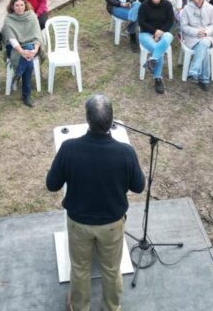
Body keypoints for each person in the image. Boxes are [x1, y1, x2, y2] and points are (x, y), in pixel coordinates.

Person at [46, 93, 144, 311]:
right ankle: (112, 308)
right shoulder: (126, 152)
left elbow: (52, 184)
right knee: (111, 269)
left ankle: (79, 308)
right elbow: (138, 186)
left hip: (79, 224)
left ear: (87, 120)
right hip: (112, 225)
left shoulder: (69, 149)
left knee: (80, 269)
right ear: (112, 120)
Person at [1, 0, 42, 107]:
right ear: (12, 7)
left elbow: (38, 36)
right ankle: (26, 95)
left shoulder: (32, 16)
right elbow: (12, 39)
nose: (20, 8)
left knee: (28, 51)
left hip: (32, 46)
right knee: (28, 62)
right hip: (15, 47)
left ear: (25, 5)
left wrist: (35, 50)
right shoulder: (9, 19)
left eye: (22, 5)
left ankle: (18, 75)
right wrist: (22, 52)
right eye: (17, 5)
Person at [138, 0, 174, 95]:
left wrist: (161, 31)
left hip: (163, 34)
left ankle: (152, 61)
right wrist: (155, 32)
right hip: (146, 34)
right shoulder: (144, 5)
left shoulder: (168, 5)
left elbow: (170, 21)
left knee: (169, 36)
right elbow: (141, 22)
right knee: (159, 50)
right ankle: (157, 78)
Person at [181, 0, 213, 90]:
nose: (196, 0)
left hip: (207, 36)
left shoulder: (210, 7)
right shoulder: (186, 9)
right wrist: (196, 32)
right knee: (204, 48)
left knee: (204, 43)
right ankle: (204, 79)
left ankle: (194, 70)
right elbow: (183, 27)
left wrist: (206, 32)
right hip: (192, 38)